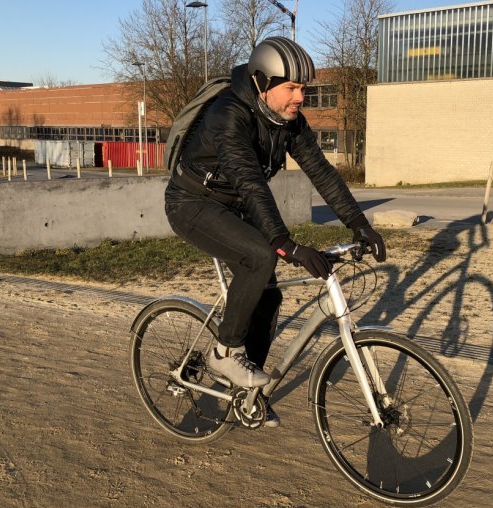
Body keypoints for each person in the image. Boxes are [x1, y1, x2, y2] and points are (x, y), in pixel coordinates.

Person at [164, 37, 386, 427]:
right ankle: (223, 353)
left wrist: (359, 223)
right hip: (192, 202)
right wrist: (284, 243)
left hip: (233, 205)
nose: (301, 97)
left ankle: (247, 392)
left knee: (268, 295)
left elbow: (322, 172)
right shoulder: (228, 115)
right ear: (261, 83)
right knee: (260, 255)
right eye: (292, 88)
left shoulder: (289, 122)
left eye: (305, 88)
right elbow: (251, 183)